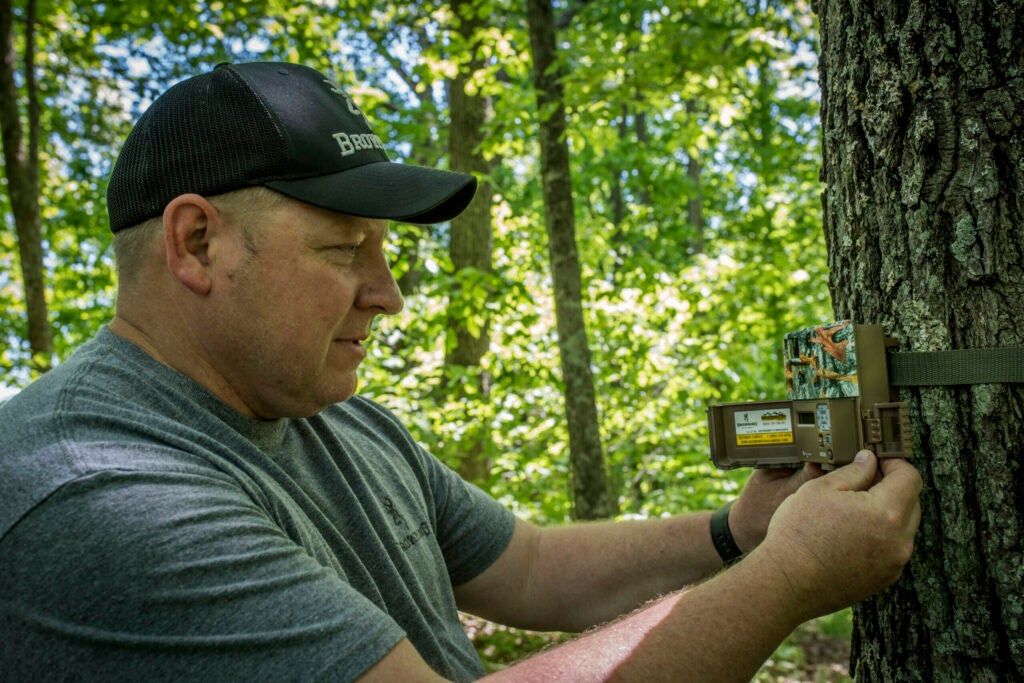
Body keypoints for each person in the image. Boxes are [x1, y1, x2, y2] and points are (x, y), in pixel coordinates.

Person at [0, 61, 922, 682]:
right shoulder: (99, 491)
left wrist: (741, 529)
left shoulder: (324, 410)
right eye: (343, 248)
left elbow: (525, 567)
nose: (387, 293)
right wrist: (794, 575)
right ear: (196, 242)